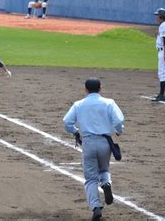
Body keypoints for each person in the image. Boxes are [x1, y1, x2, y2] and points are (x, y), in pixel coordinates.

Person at [63, 78, 124, 221]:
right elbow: (119, 121)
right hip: (105, 142)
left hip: (88, 143)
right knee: (104, 169)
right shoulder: (109, 102)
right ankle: (106, 184)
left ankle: (96, 208)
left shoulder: (78, 104)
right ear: (100, 88)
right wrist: (118, 130)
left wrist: (75, 131)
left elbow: (67, 122)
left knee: (91, 178)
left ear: (86, 89)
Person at [152, 8, 165, 101]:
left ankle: (161, 95)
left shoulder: (163, 26)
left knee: (162, 73)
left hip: (164, 51)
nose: (156, 17)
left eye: (157, 15)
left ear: (161, 17)